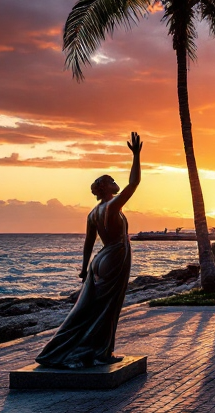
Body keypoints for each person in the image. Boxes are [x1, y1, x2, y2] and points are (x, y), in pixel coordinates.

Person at [36, 132, 142, 369]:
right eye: (111, 180)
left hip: (100, 259)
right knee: (105, 309)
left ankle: (101, 352)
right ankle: (86, 353)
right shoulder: (112, 206)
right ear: (105, 188)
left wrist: (85, 269)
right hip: (114, 256)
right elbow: (134, 183)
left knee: (91, 309)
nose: (115, 182)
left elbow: (88, 243)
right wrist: (136, 156)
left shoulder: (92, 214)